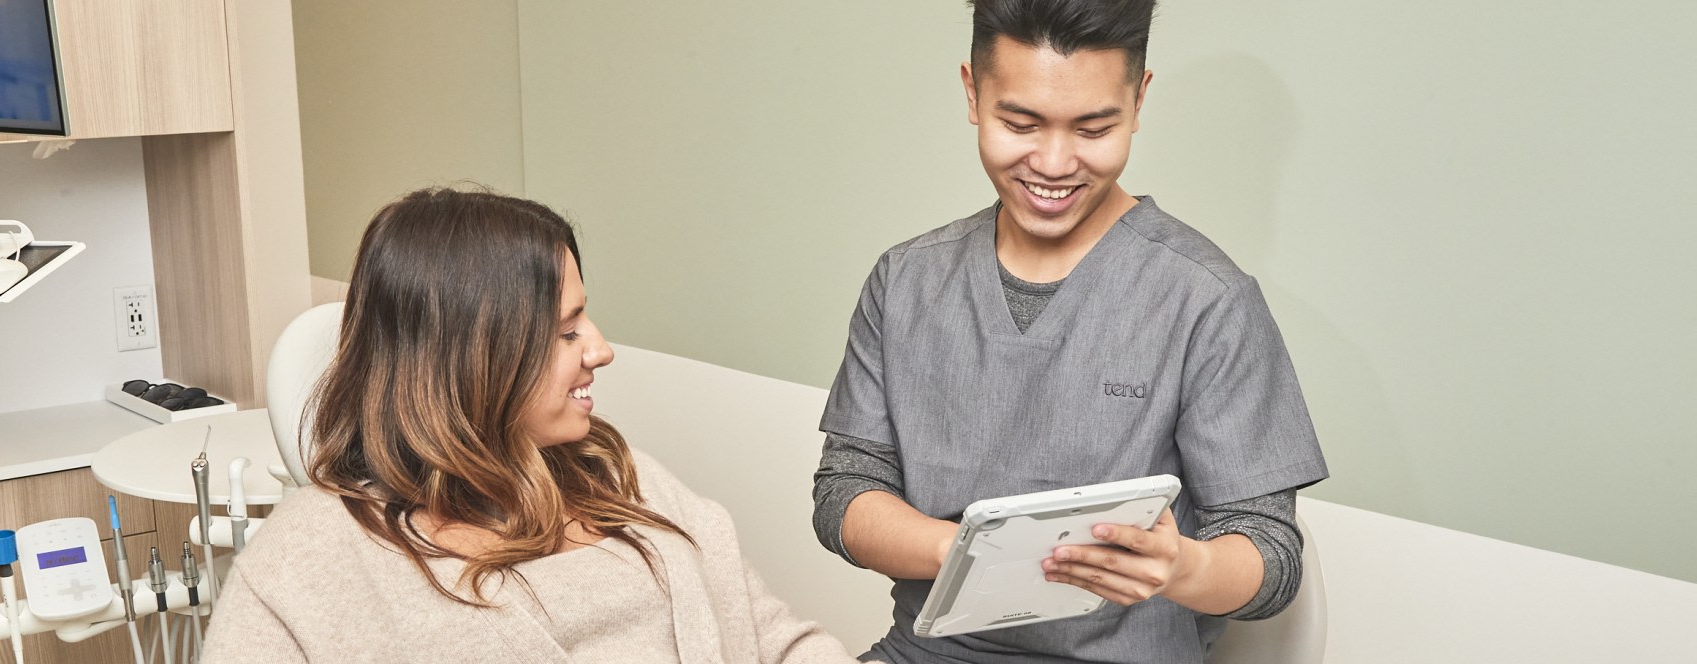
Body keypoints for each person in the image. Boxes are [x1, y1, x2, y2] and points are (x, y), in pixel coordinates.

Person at [811, 1, 1330, 662]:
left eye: (1093, 127)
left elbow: (1271, 554)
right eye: (1019, 122)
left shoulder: (1207, 300)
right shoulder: (907, 280)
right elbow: (844, 494)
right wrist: (973, 552)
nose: (1054, 164)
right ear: (973, 92)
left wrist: (1180, 567)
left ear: (1138, 102)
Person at [202, 187, 856, 663]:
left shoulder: (623, 479)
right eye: (567, 330)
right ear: (471, 357)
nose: (600, 350)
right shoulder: (310, 560)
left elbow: (778, 644)